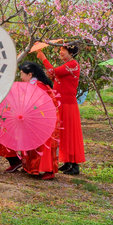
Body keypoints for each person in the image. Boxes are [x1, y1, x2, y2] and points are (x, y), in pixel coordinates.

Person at [37, 44, 85, 175]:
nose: (60, 52)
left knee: (70, 133)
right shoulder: (68, 65)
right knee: (63, 132)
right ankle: (67, 162)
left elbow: (53, 72)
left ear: (71, 52)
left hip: (68, 104)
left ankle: (74, 164)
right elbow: (55, 76)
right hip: (61, 103)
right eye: (60, 50)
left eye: (63, 50)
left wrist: (43, 58)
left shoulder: (73, 64)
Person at [16, 61, 61, 179]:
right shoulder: (34, 85)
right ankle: (32, 168)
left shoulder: (39, 86)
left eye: (22, 73)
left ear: (29, 75)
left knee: (43, 146)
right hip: (35, 119)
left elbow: (41, 105)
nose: (21, 77)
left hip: (44, 121)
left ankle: (49, 170)